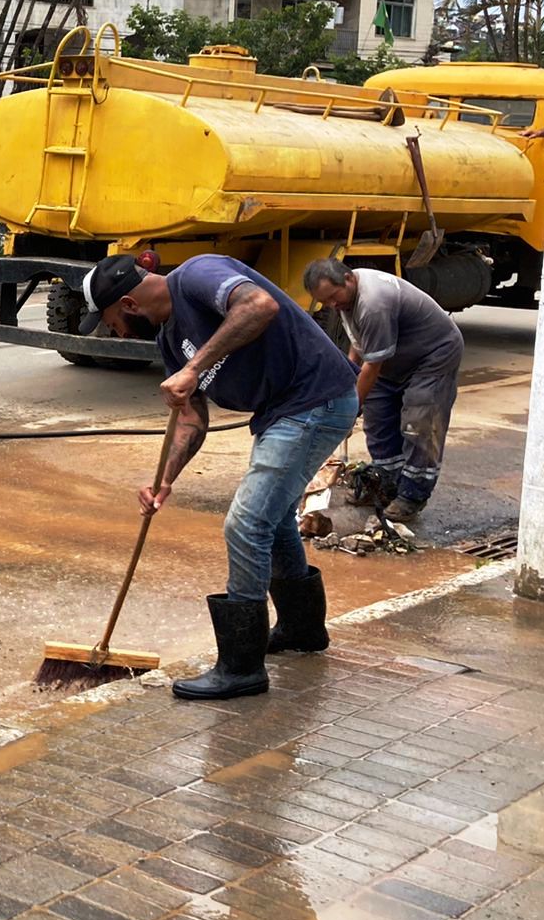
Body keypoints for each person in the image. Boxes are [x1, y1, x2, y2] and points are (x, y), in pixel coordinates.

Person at [77, 253, 358, 701]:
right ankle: (303, 630)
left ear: (128, 304)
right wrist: (165, 479)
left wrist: (194, 368)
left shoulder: (199, 276)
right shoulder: (170, 341)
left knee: (246, 525)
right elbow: (190, 418)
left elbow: (259, 306)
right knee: (276, 515)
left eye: (111, 322)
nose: (115, 332)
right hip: (284, 410)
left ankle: (241, 667)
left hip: (316, 399)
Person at [303, 259, 464, 521]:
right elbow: (359, 342)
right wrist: (347, 384)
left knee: (419, 422)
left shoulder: (374, 302)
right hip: (395, 357)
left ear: (348, 279)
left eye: (333, 297)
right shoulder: (346, 298)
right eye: (326, 302)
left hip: (432, 355)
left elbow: (373, 366)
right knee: (378, 418)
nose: (332, 305)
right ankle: (387, 484)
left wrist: (350, 409)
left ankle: (412, 494)